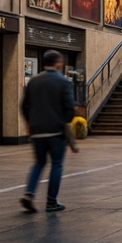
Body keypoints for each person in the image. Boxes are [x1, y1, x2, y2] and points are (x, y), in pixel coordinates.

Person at [20, 50, 76, 213]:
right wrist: (64, 122)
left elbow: (24, 106)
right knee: (56, 164)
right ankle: (51, 202)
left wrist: (31, 123)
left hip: (37, 130)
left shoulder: (33, 81)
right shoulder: (64, 82)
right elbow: (69, 108)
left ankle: (29, 194)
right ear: (58, 63)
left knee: (39, 163)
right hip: (56, 130)